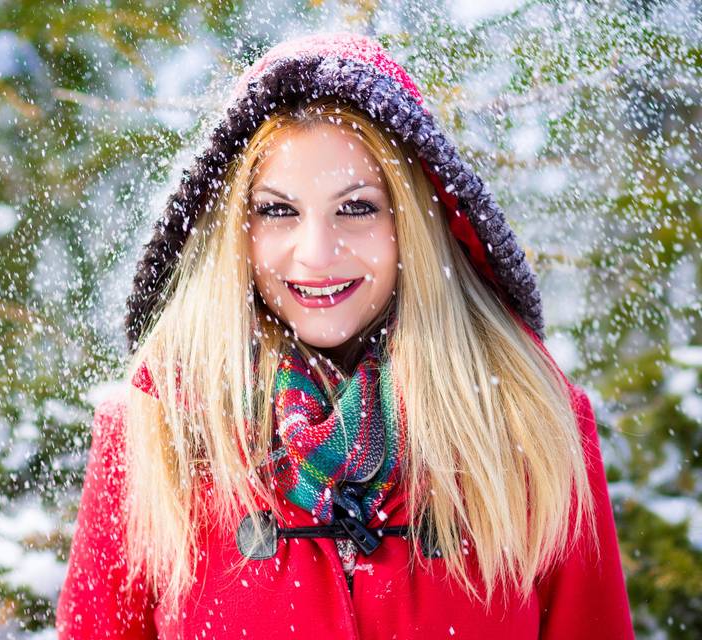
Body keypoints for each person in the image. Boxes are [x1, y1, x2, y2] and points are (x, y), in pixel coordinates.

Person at [55, 32, 634, 639]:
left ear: (411, 218)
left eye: (356, 207)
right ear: (236, 229)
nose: (316, 252)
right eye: (278, 211)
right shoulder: (156, 429)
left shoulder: (531, 420)